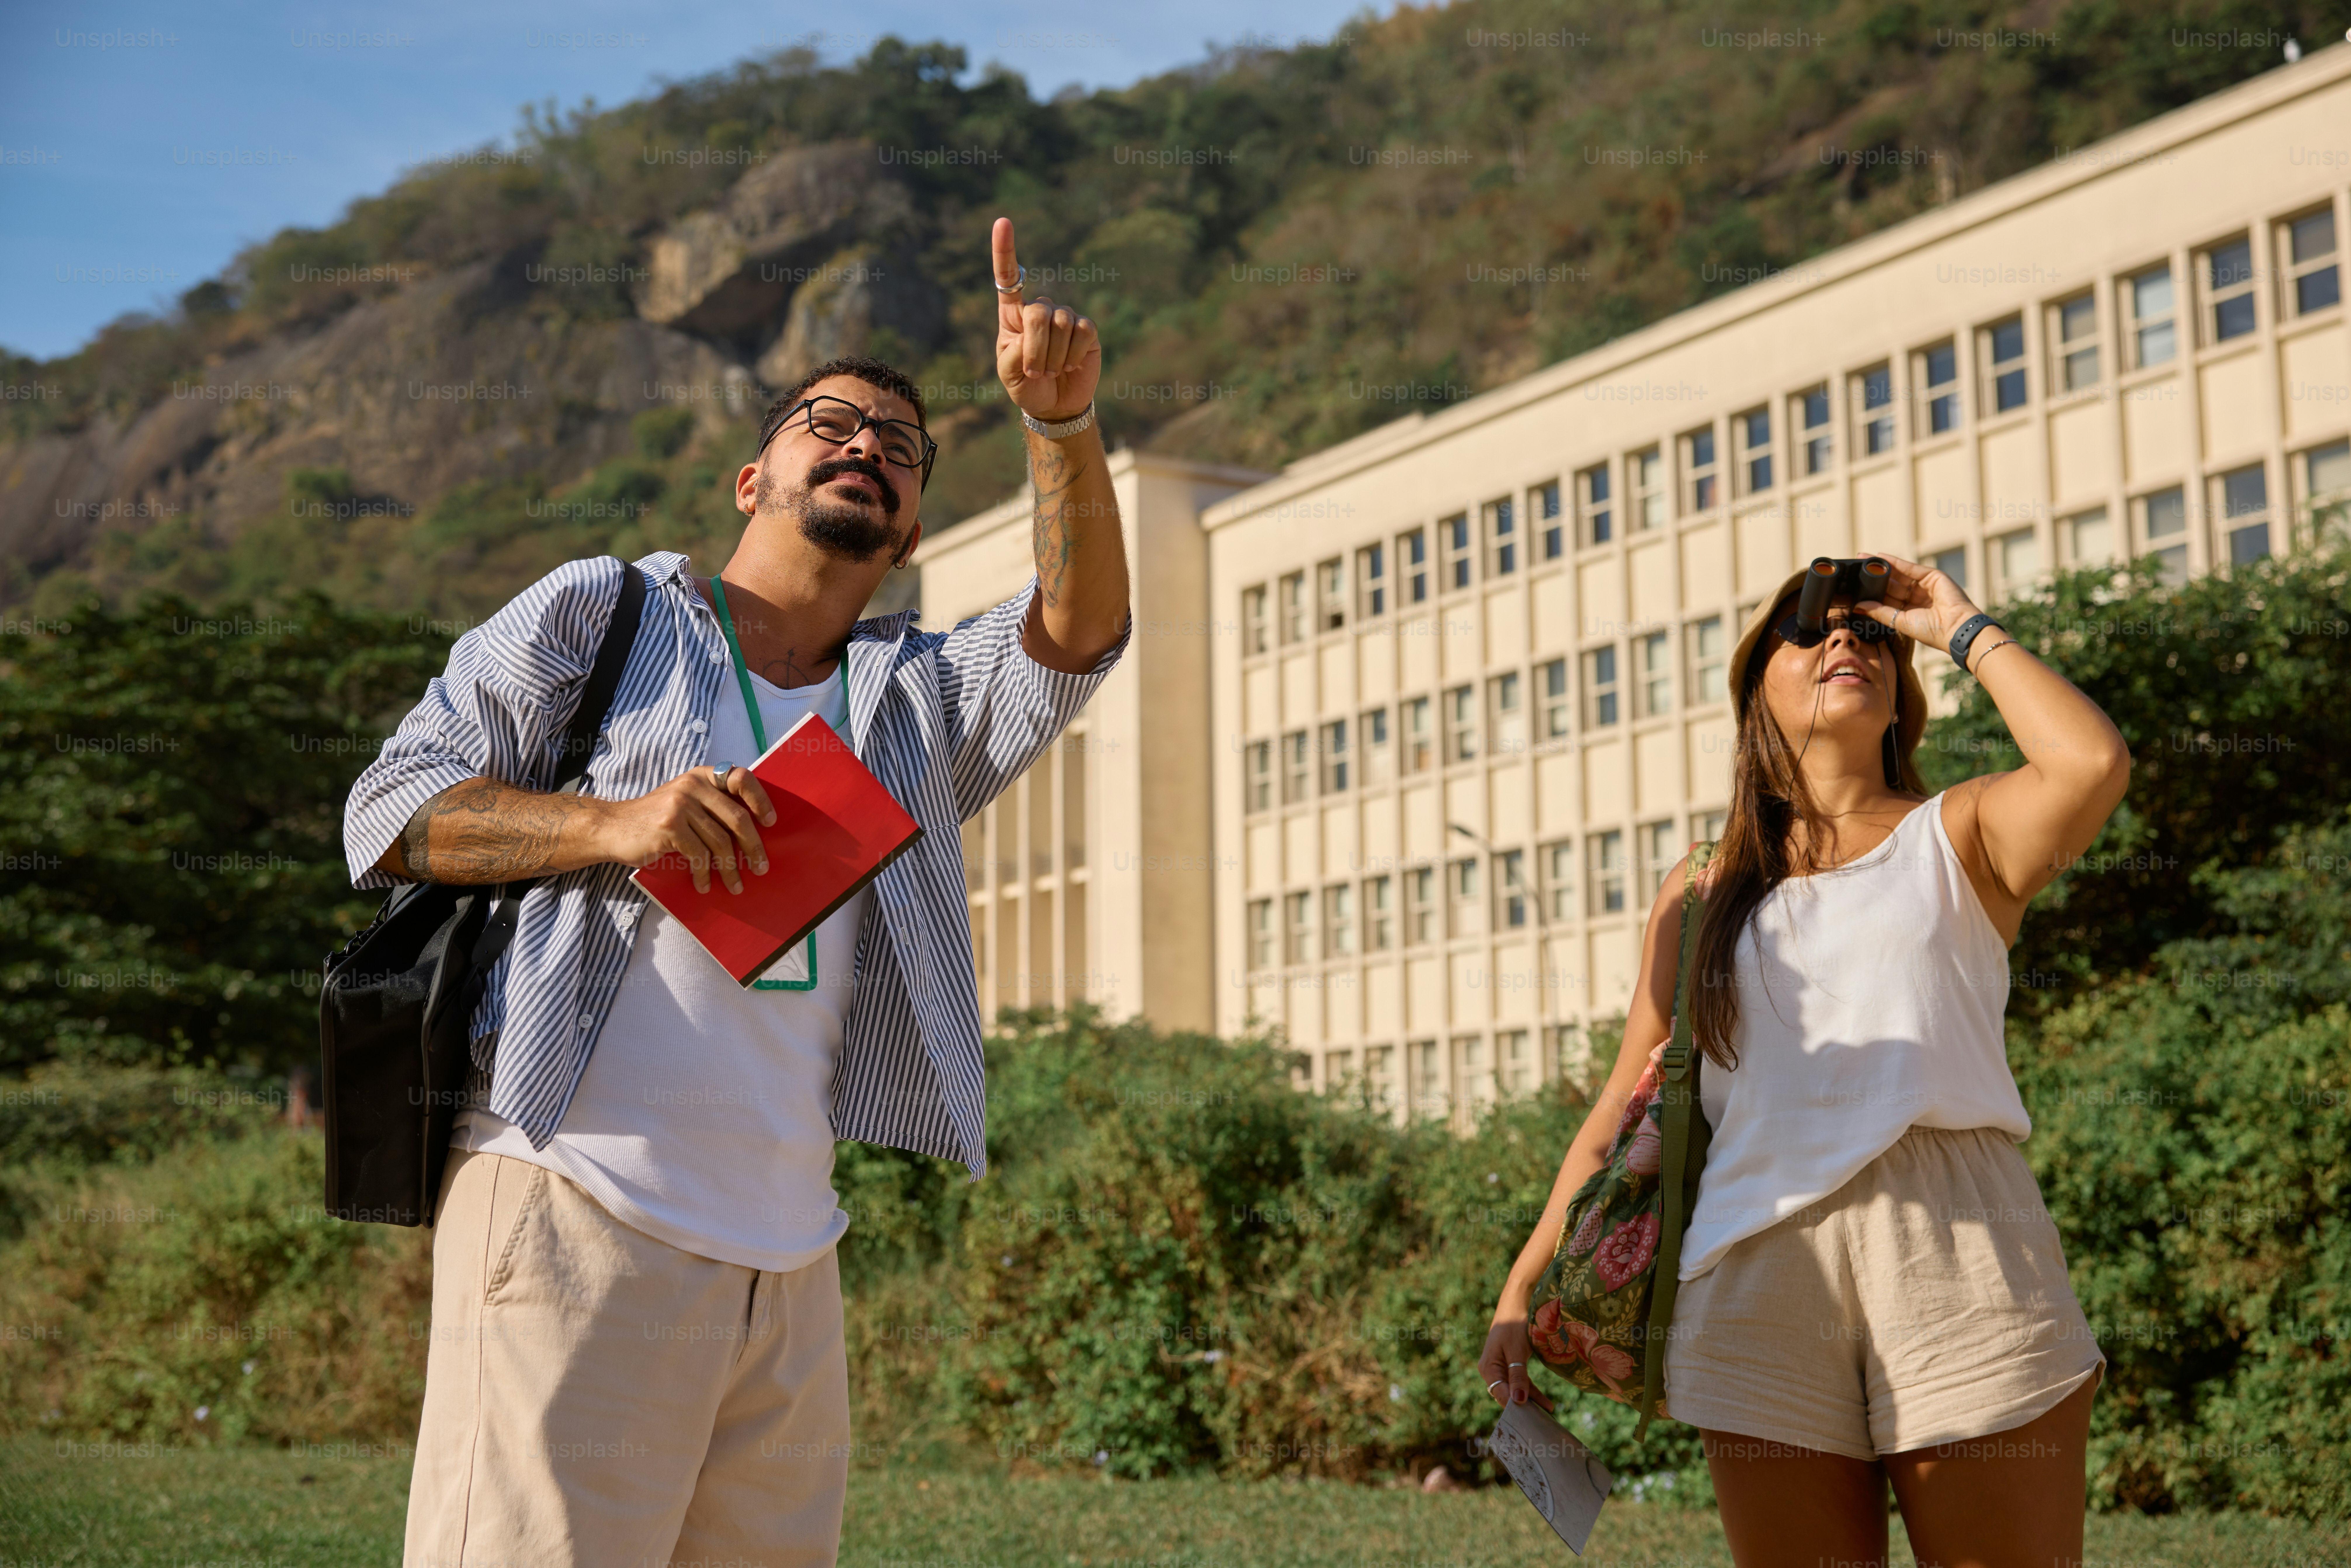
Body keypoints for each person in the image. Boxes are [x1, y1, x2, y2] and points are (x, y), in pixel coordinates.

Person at [341, 219, 1127, 1568]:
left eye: (898, 447)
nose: (866, 448)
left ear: (916, 522)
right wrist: (615, 821)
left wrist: (1060, 427)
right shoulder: (608, 615)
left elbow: (1075, 631)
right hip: (573, 1202)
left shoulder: (919, 701)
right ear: (750, 474)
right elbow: (391, 809)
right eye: (831, 424)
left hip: (790, 1254)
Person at [1478, 555, 2132, 1567]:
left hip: (1955, 1246)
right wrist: (1525, 1282)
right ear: (1756, 688)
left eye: (1870, 634)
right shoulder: (1701, 886)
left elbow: (2089, 765)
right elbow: (1624, 1099)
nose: (1847, 642)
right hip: (1755, 1269)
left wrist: (1955, 625)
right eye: (1810, 627)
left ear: (1902, 691)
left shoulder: (1957, 835)